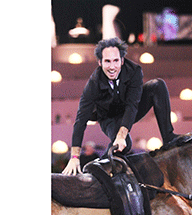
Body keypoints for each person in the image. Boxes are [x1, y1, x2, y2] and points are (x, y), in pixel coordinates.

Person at [62, 37, 180, 175]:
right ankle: (98, 167)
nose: (112, 67)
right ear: (100, 62)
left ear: (122, 61)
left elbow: (132, 105)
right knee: (123, 145)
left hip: (129, 110)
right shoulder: (93, 83)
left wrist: (121, 135)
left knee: (157, 85)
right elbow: (80, 120)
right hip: (108, 117)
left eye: (116, 61)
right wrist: (75, 157)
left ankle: (169, 137)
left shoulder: (134, 71)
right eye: (107, 61)